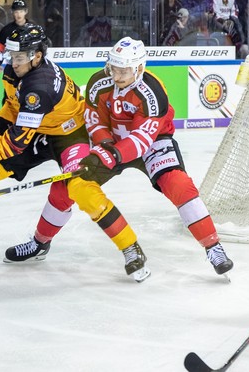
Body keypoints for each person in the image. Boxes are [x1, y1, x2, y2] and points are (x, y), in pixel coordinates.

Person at [0, 24, 151, 282]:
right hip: (39, 131)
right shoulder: (15, 70)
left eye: (18, 58)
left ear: (36, 56)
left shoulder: (41, 86)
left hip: (70, 134)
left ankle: (130, 247)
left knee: (80, 187)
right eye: (11, 56)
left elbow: (17, 142)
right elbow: (12, 105)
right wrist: (0, 120)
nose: (12, 63)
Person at [80, 36, 234, 276]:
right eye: (113, 69)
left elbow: (141, 140)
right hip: (113, 143)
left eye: (123, 71)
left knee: (179, 184)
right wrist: (104, 145)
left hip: (152, 143)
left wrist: (110, 155)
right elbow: (95, 120)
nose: (116, 77)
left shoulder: (152, 92)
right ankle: (41, 241)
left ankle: (213, 247)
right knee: (74, 184)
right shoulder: (99, 83)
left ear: (139, 68)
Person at [0, 0, 32, 73]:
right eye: (16, 12)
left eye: (21, 11)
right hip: (12, 67)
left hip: (29, 67)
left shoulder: (33, 28)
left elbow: (41, 47)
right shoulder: (6, 30)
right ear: (12, 12)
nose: (19, 14)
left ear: (26, 11)